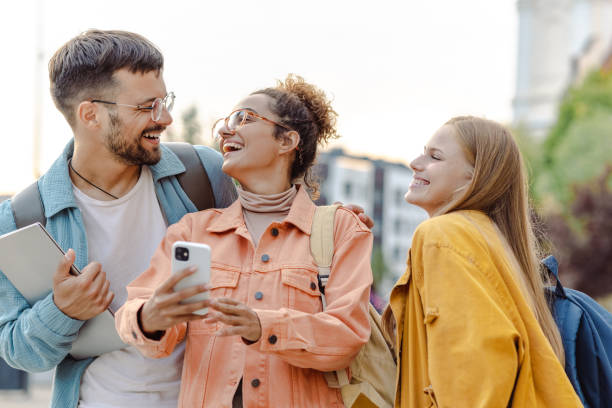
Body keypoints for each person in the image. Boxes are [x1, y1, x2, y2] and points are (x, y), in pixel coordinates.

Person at [0, 30, 237, 408]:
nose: (166, 118)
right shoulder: (22, 218)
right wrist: (61, 311)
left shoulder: (203, 174)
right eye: (147, 107)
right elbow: (18, 353)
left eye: (165, 101)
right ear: (91, 114)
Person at [115, 75, 374, 407]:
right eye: (225, 122)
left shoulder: (341, 230)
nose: (225, 131)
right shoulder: (194, 231)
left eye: (244, 119)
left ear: (287, 141)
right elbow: (131, 314)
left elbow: (346, 336)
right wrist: (149, 317)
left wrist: (262, 325)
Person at [383, 116, 582, 407]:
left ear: (475, 176)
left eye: (434, 156)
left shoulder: (443, 235)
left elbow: (476, 370)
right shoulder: (488, 238)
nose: (415, 162)